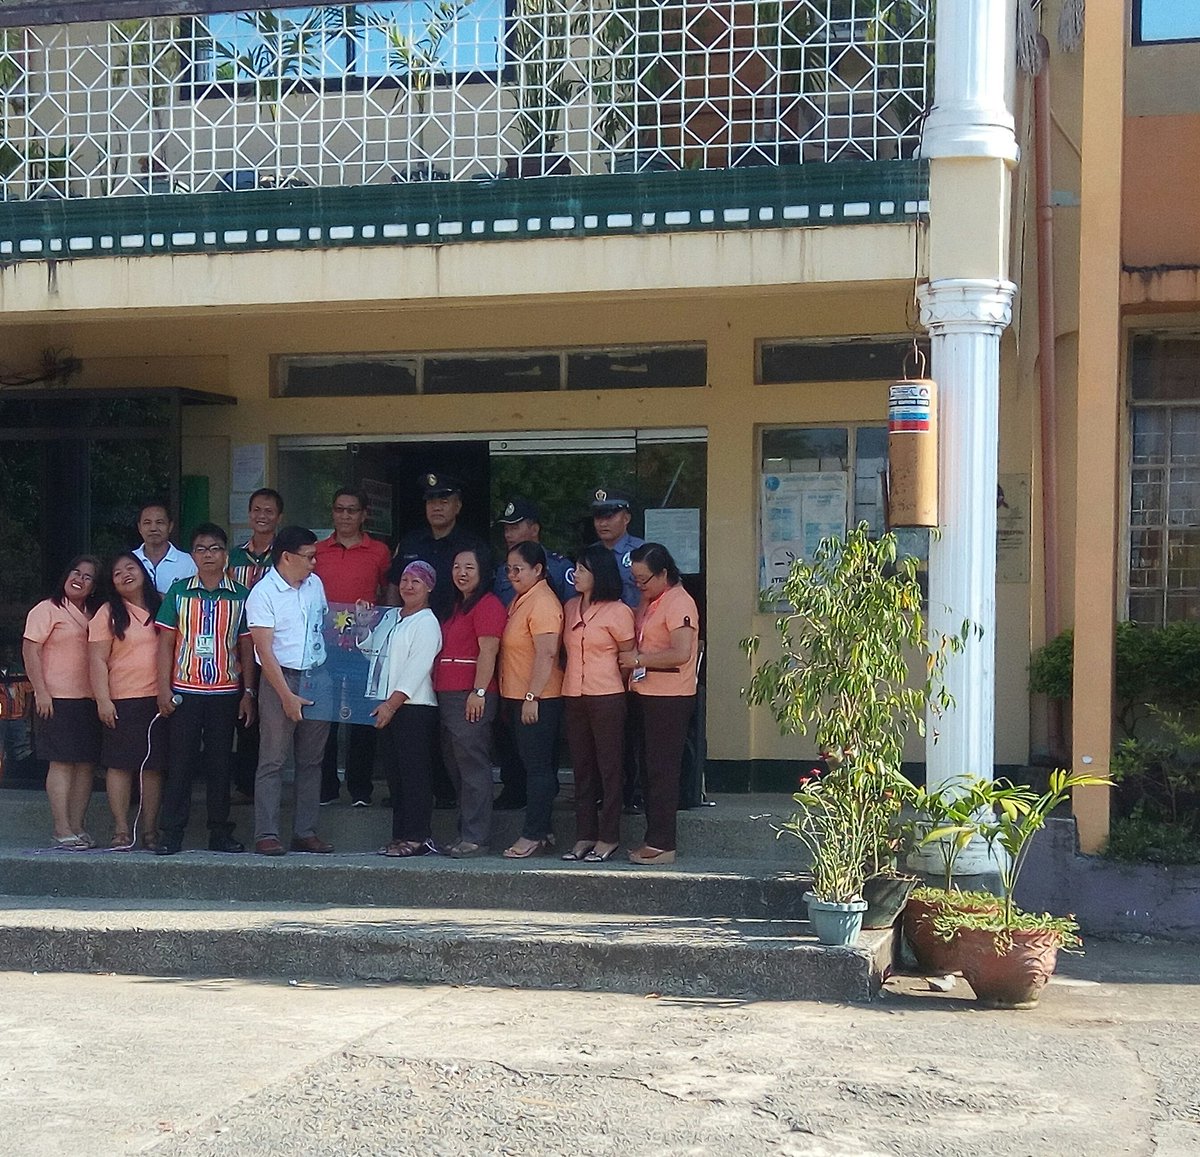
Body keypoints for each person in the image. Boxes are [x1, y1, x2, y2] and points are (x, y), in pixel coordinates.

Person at [154, 524, 257, 856]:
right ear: (192, 555)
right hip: (185, 690)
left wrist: (249, 693)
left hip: (226, 692)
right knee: (180, 763)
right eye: (200, 549)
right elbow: (165, 644)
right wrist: (162, 690)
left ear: (225, 553)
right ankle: (171, 832)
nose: (208, 555)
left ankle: (219, 832)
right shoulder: (179, 591)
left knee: (220, 766)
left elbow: (247, 649)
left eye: (214, 548)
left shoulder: (242, 595)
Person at [245, 525, 334, 857]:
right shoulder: (263, 593)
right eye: (309, 557)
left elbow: (324, 625)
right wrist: (285, 695)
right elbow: (264, 652)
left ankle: (305, 831)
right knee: (273, 758)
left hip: (317, 673)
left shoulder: (315, 585)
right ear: (286, 557)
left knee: (312, 760)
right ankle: (266, 832)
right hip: (279, 677)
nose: (313, 563)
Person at [618, 543, 700, 865]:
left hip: (670, 698)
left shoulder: (679, 602)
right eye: (635, 579)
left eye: (645, 579)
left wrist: (640, 659)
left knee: (663, 772)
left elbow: (681, 653)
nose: (640, 585)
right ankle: (654, 837)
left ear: (664, 573)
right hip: (646, 693)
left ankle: (664, 843)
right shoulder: (653, 600)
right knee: (649, 770)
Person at [491, 496, 572, 812]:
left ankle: (540, 818)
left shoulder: (557, 569)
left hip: (541, 681)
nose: (510, 533)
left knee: (540, 756)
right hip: (511, 676)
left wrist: (534, 693)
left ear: (534, 529)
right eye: (506, 528)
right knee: (512, 746)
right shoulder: (503, 572)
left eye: (517, 526)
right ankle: (514, 792)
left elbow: (559, 628)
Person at [357, 561, 443, 857]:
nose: (408, 586)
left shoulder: (428, 622)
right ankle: (400, 835)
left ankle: (418, 836)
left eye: (416, 581)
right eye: (405, 580)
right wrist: (363, 627)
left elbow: (417, 669)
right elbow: (373, 654)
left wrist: (392, 705)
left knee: (414, 774)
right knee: (395, 775)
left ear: (429, 587)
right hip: (386, 705)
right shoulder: (391, 616)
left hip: (413, 707)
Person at [314, 486, 391, 807]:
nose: (345, 516)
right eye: (339, 509)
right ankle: (327, 788)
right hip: (324, 645)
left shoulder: (380, 551)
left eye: (351, 510)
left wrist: (382, 628)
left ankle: (360, 789)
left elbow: (389, 592)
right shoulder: (317, 550)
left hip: (364, 644)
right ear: (332, 512)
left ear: (363, 515)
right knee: (324, 717)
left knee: (363, 717)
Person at [560, 544, 635, 863]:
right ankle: (584, 834)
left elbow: (628, 658)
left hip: (607, 695)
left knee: (609, 767)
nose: (575, 574)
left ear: (599, 574)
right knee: (582, 768)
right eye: (576, 568)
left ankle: (609, 836)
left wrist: (612, 681)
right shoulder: (569, 606)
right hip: (573, 694)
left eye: (582, 569)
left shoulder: (618, 611)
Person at [22, 556, 102, 849]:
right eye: (75, 572)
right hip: (56, 698)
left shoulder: (96, 613)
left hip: (89, 698)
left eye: (88, 576)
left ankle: (78, 825)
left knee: (85, 764)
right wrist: (40, 691)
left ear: (94, 587)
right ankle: (61, 826)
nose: (79, 578)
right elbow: (31, 651)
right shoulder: (46, 609)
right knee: (62, 763)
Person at [89, 553, 166, 850]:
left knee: (153, 767)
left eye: (130, 568)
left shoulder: (163, 603)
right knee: (119, 766)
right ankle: (121, 829)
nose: (124, 574)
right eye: (117, 573)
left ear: (144, 571)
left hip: (158, 698)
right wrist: (103, 700)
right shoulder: (108, 612)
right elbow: (96, 660)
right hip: (121, 699)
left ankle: (150, 831)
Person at [435, 546, 506, 858]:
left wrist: (478, 692)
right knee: (456, 766)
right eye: (456, 566)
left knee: (473, 767)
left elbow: (488, 652)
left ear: (484, 573)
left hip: (470, 695)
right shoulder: (456, 606)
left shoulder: (488, 605)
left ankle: (476, 837)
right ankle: (465, 832)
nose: (461, 573)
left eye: (469, 568)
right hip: (447, 694)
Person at [499, 541, 565, 859]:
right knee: (534, 767)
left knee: (538, 769)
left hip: (539, 698)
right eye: (509, 569)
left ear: (538, 570)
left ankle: (533, 833)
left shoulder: (543, 602)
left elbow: (547, 652)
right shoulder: (522, 599)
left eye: (519, 569)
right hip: (518, 696)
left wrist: (531, 696)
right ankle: (545, 829)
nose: (512, 575)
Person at [227, 487, 285, 802]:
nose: (262, 516)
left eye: (269, 511)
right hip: (237, 648)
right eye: (257, 510)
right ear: (249, 515)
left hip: (278, 649)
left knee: (273, 719)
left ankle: (270, 786)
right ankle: (245, 786)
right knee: (245, 715)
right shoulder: (232, 557)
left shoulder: (285, 557)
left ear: (279, 517)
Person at [389, 473, 484, 622]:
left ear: (457, 506)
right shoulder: (411, 542)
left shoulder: (471, 546)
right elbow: (394, 585)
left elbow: (480, 593)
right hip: (412, 628)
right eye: (431, 502)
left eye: (444, 502)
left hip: (454, 628)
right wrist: (393, 620)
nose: (437, 507)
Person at [492, 497, 574, 605]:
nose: (508, 535)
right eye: (506, 529)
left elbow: (573, 608)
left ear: (534, 529)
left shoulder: (560, 567)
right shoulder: (504, 570)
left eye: (514, 528)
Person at [590, 488, 644, 610]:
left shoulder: (642, 551)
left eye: (609, 517)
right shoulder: (591, 555)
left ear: (626, 519)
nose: (602, 524)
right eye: (598, 517)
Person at [133, 502, 197, 594]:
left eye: (159, 522)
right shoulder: (130, 561)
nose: (153, 528)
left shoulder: (188, 562)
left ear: (170, 526)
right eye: (147, 523)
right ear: (139, 528)